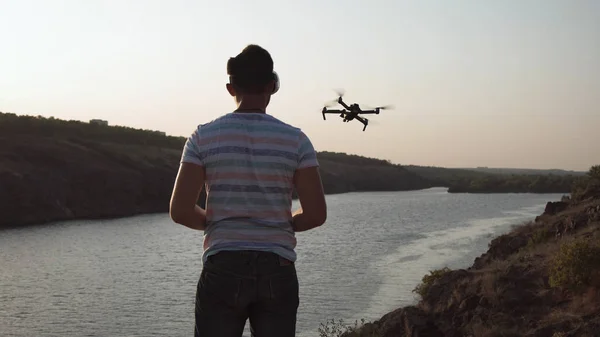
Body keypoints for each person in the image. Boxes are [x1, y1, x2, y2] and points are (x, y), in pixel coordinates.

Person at [169, 44, 327, 337]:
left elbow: (179, 211)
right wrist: (283, 224)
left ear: (231, 88)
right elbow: (316, 215)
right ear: (272, 86)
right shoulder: (296, 141)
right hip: (276, 267)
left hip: (223, 264)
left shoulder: (202, 137)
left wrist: (217, 223)